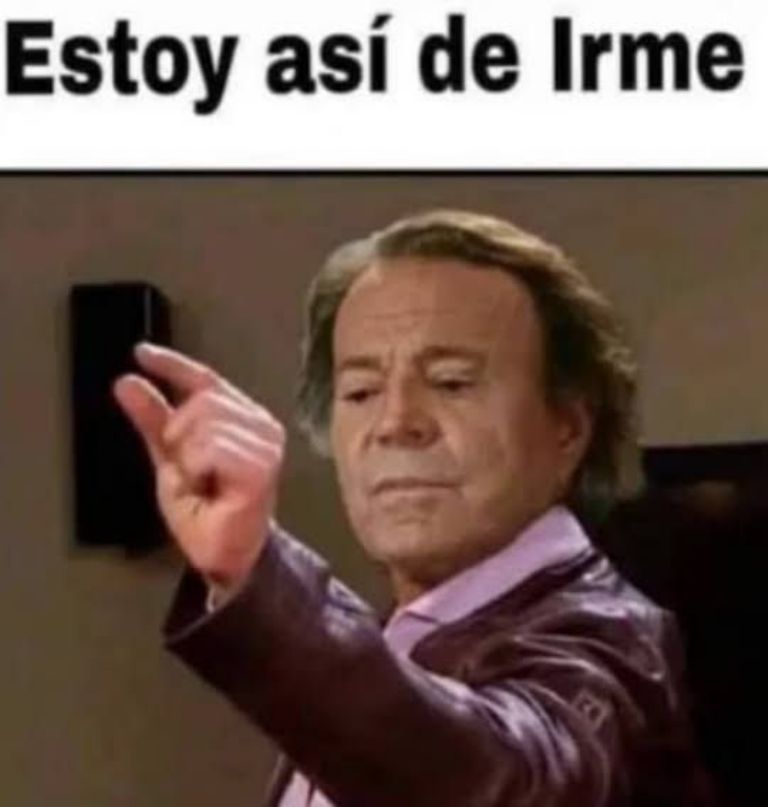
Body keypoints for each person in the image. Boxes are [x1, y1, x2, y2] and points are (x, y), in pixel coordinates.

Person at [114, 210, 713, 806]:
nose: (396, 422)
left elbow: (497, 783)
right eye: (361, 392)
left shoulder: (612, 645)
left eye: (452, 382)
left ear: (568, 428)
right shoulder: (392, 645)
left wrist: (260, 572)